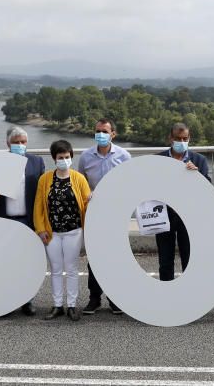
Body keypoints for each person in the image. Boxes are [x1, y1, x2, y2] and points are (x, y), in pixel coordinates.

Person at [77, 118, 132, 315]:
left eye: (104, 131)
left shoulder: (124, 156)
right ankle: (94, 298)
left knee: (115, 256)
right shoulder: (85, 157)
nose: (100, 134)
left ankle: (115, 298)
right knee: (94, 257)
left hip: (116, 214)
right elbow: (79, 183)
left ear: (113, 134)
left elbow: (130, 183)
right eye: (98, 131)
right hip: (93, 214)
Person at [34, 140, 92, 321]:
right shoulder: (44, 180)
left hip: (74, 231)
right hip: (52, 233)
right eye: (60, 157)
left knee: (72, 269)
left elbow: (86, 203)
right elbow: (38, 207)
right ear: (54, 158)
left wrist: (91, 200)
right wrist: (41, 228)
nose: (64, 160)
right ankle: (57, 305)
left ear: (71, 157)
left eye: (67, 157)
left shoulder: (79, 178)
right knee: (56, 269)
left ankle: (72, 306)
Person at [0, 125, 46, 316]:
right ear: (8, 143)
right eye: (16, 142)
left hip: (28, 221)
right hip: (5, 220)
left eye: (23, 142)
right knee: (4, 263)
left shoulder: (36, 162)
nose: (20, 145)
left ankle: (27, 301)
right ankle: (6, 301)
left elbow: (42, 194)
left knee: (26, 264)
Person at [154, 122, 210, 281]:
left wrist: (197, 176)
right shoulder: (157, 160)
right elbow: (149, 186)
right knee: (165, 260)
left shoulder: (199, 160)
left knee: (190, 259)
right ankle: (166, 298)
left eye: (185, 138)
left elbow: (207, 191)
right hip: (164, 214)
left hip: (189, 217)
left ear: (189, 138)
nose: (181, 141)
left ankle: (190, 298)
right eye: (178, 138)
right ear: (170, 138)